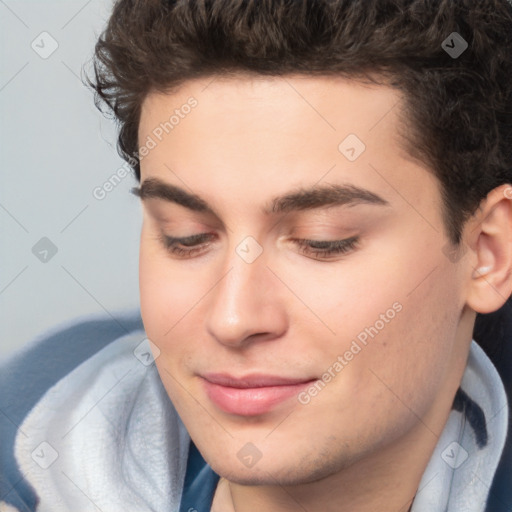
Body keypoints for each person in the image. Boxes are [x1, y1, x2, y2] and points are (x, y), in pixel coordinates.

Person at [1, 0, 512, 510]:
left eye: (321, 241)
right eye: (186, 236)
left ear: (488, 252)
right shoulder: (36, 430)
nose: (233, 318)